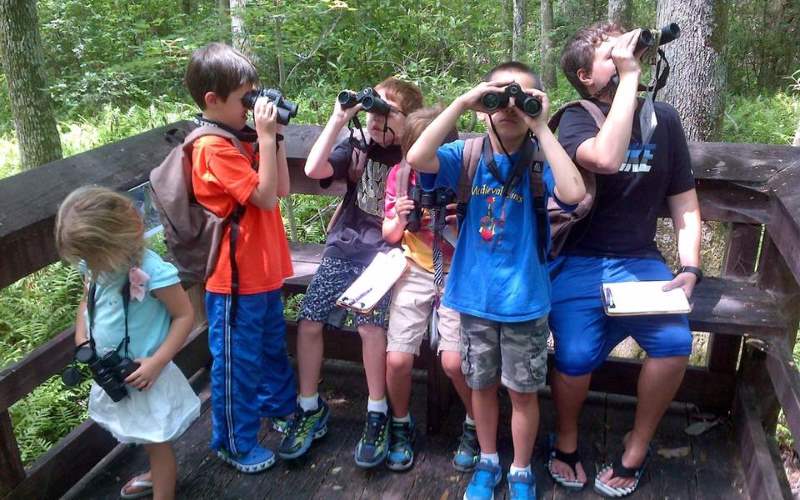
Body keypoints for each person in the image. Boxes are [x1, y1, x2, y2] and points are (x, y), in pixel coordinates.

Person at [407, 62, 586, 500]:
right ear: (484, 104)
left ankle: (521, 469)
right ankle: (489, 460)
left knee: (523, 392)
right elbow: (417, 158)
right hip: (474, 296)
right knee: (481, 387)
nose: (509, 106)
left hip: (525, 299)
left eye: (521, 98)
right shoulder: (467, 155)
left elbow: (575, 192)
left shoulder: (543, 158)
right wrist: (462, 103)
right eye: (499, 97)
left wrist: (541, 127)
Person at [547, 22, 701, 497]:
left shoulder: (664, 120)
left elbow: (684, 202)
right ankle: (567, 440)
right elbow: (606, 159)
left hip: (639, 260)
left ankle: (637, 443)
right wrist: (630, 77)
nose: (622, 58)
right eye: (608, 55)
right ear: (584, 76)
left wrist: (690, 266)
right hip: (578, 258)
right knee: (573, 357)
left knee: (675, 343)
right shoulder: (574, 118)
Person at [279, 78, 422, 468]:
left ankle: (377, 411)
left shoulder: (414, 155)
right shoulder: (358, 145)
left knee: (369, 326)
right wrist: (339, 119)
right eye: (371, 114)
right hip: (344, 247)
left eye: (384, 115)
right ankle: (308, 406)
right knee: (309, 320)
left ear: (406, 120)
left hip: (386, 255)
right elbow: (313, 167)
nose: (375, 122)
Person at [185, 42, 295, 472]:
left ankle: (281, 410)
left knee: (270, 349)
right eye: (243, 100)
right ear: (212, 100)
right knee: (236, 364)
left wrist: (274, 138)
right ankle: (233, 440)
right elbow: (265, 199)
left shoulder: (239, 138)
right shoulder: (212, 148)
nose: (252, 109)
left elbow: (281, 188)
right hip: (233, 280)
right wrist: (264, 138)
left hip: (263, 272)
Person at [56, 186, 200, 500]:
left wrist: (157, 362)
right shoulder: (94, 266)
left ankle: (163, 485)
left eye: (95, 256)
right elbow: (87, 301)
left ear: (121, 238)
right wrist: (83, 337)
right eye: (86, 258)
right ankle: (155, 473)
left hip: (148, 374)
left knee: (157, 443)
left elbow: (184, 316)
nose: (91, 264)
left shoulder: (151, 271)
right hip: (117, 372)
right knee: (143, 434)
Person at [382, 106, 478, 472]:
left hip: (459, 269)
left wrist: (463, 217)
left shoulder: (466, 177)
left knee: (454, 362)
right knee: (398, 357)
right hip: (417, 266)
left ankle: (474, 422)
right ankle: (401, 423)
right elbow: (389, 236)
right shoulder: (400, 176)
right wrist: (401, 218)